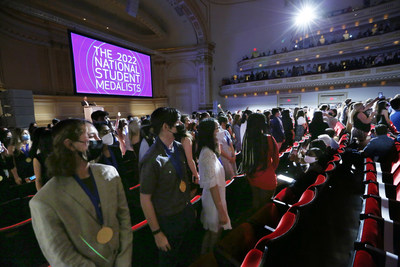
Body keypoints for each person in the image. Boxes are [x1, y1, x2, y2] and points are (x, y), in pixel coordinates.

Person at [29, 119, 132, 266]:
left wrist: (123, 261)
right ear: (69, 144)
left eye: (98, 136)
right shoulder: (44, 200)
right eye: (91, 137)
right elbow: (61, 255)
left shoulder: (109, 173)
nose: (99, 141)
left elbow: (124, 218)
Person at [140, 107, 196, 267]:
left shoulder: (178, 147)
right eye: (177, 123)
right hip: (168, 220)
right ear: (166, 127)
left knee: (187, 256)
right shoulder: (152, 159)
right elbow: (145, 199)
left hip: (185, 211)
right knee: (170, 261)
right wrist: (157, 233)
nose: (181, 125)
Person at [197, 118, 231, 254]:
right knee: (214, 233)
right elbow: (212, 185)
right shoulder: (206, 154)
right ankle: (207, 258)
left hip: (216, 197)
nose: (219, 132)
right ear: (209, 132)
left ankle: (206, 257)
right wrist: (221, 210)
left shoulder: (210, 151)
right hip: (213, 199)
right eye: (217, 129)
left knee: (213, 232)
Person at [242, 113, 279, 210]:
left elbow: (245, 159)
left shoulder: (247, 140)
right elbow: (276, 161)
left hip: (252, 175)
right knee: (266, 208)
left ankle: (256, 223)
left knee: (256, 203)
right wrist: (269, 169)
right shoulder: (269, 139)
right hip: (267, 176)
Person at [217, 116, 237, 180]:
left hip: (231, 155)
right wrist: (229, 158)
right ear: (222, 123)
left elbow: (231, 145)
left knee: (234, 173)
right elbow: (220, 149)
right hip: (225, 157)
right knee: (230, 176)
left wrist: (233, 155)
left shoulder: (226, 132)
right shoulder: (218, 133)